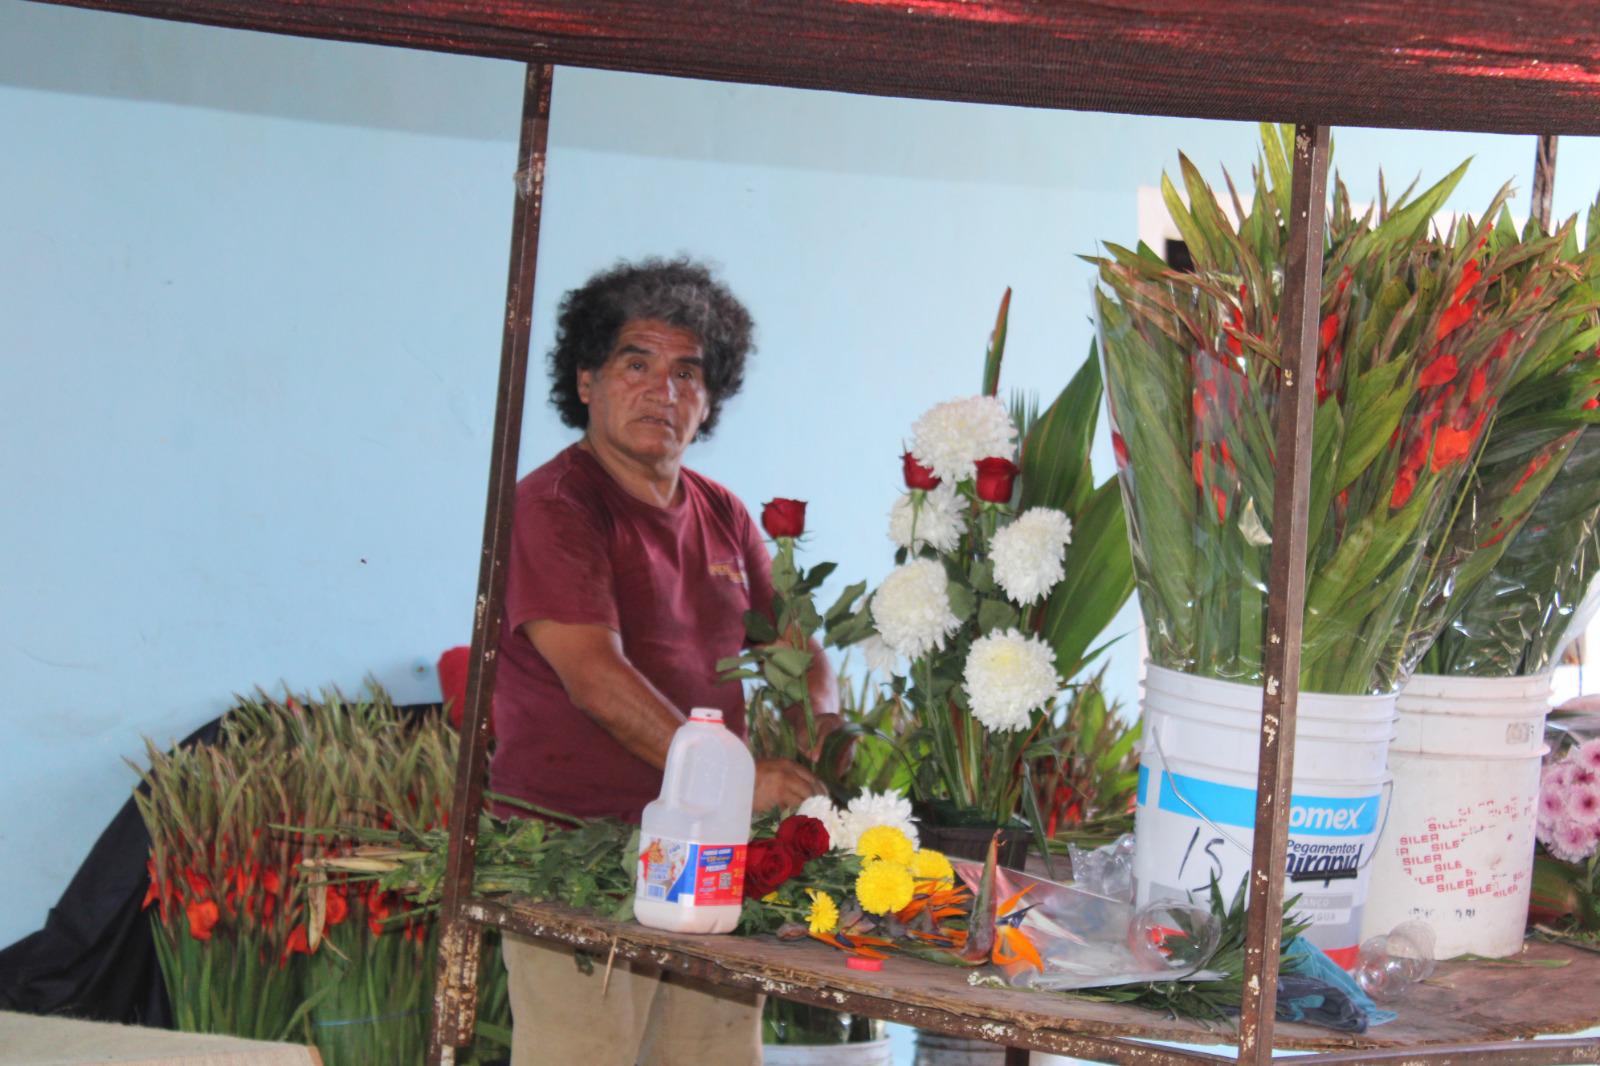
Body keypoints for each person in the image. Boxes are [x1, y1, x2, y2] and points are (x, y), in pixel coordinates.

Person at [490, 257, 840, 1066]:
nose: (665, 392)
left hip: (711, 858)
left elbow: (798, 650)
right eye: (636, 364)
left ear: (711, 398)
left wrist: (822, 739)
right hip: (574, 854)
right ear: (585, 380)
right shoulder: (557, 503)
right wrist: (732, 782)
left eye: (688, 373)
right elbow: (594, 677)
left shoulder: (721, 511)